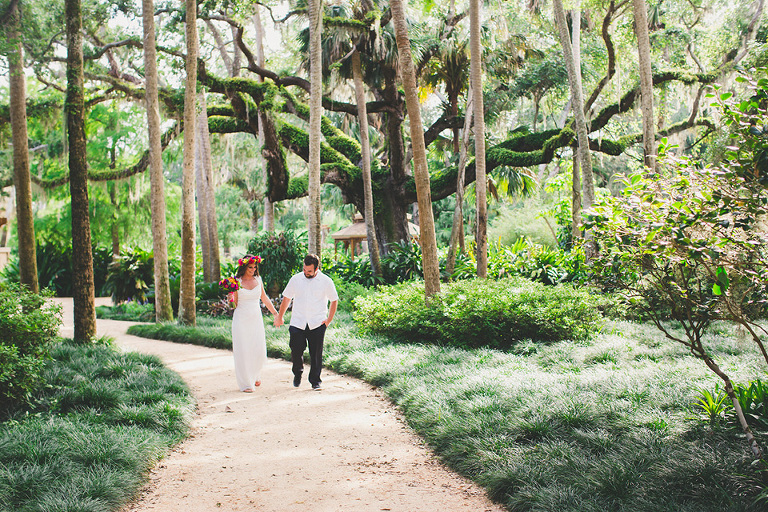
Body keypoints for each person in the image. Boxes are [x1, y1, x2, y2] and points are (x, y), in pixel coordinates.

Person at [274, 254, 338, 390]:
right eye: (304, 269)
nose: (306, 273)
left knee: (316, 354)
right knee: (296, 350)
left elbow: (334, 300)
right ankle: (297, 373)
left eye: (309, 271)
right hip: (298, 321)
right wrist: (280, 316)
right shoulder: (296, 279)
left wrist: (329, 320)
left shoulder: (326, 281)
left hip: (317, 322)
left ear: (316, 269)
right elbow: (287, 298)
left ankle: (315, 381)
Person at [231, 254, 278, 392]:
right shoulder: (236, 281)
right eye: (250, 267)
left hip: (256, 318)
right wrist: (230, 297)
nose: (253, 270)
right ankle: (246, 383)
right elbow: (234, 305)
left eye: (254, 267)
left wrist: (276, 314)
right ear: (244, 267)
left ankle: (256, 374)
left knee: (257, 347)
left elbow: (264, 298)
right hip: (241, 319)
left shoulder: (258, 279)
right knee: (243, 349)